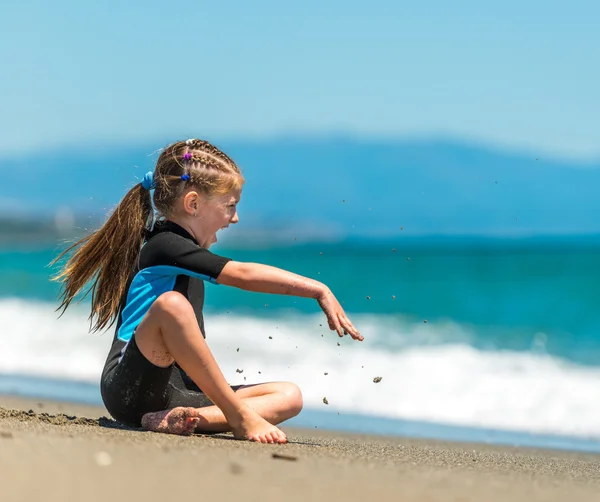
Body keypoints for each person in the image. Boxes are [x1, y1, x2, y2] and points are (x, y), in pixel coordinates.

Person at [52, 138, 363, 444]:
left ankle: (187, 419)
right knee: (172, 305)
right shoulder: (163, 246)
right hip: (130, 388)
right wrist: (318, 289)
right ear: (193, 203)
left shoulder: (186, 251)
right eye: (230, 206)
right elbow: (242, 274)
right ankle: (238, 417)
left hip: (173, 397)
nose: (235, 218)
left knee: (289, 396)